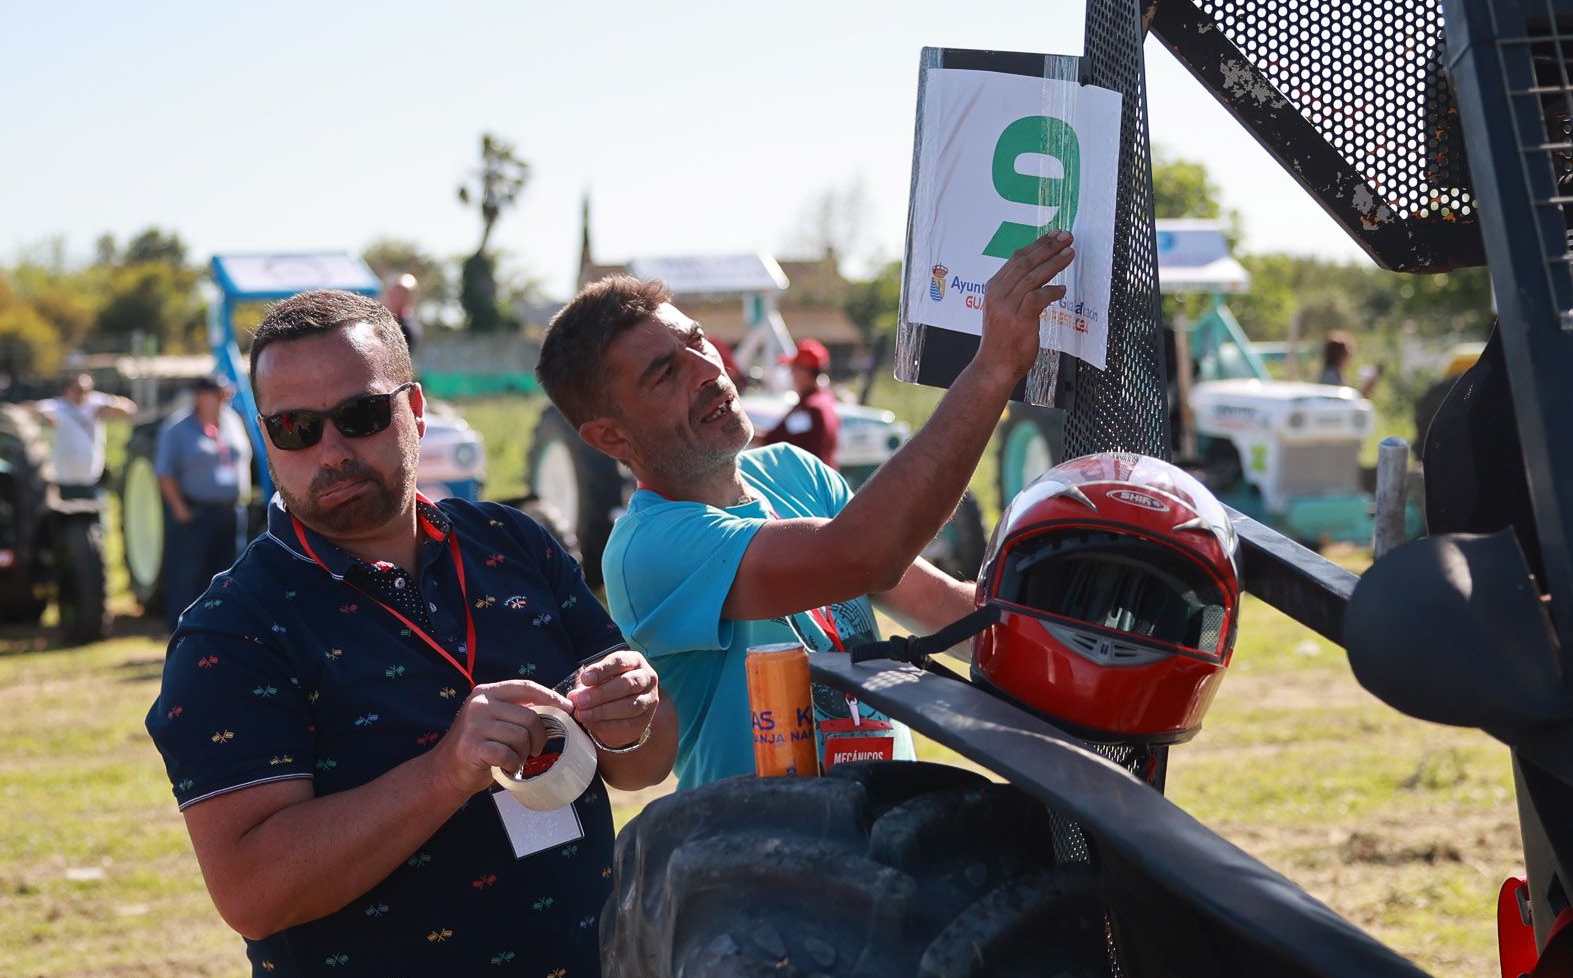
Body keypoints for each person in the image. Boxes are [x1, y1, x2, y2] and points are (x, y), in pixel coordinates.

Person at [147, 288, 672, 978]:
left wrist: (634, 713)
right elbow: (252, 886)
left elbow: (644, 762)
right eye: (295, 430)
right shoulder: (237, 631)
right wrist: (445, 772)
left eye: (360, 415)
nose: (330, 450)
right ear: (267, 441)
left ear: (416, 411)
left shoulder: (510, 546)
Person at [533, 232, 1074, 788]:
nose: (707, 370)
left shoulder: (796, 471)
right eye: (664, 373)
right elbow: (862, 554)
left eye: (698, 341)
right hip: (773, 858)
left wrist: (1082, 654)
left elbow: (941, 606)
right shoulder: (646, 549)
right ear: (610, 437)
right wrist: (991, 369)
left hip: (891, 833)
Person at [155, 375, 251, 625]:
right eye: (219, 395)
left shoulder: (232, 422)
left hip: (231, 512)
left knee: (227, 574)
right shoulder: (177, 429)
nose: (225, 400)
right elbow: (164, 472)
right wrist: (179, 508)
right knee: (188, 576)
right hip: (196, 513)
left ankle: (221, 628)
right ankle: (183, 631)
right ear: (201, 397)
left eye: (226, 395)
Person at [37, 370, 136, 498]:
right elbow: (31, 410)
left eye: (88, 391)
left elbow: (130, 409)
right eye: (79, 390)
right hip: (64, 478)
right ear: (67, 390)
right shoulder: (56, 406)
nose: (84, 395)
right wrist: (44, 417)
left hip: (92, 478)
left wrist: (110, 403)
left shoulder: (96, 403)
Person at [754, 336, 841, 468]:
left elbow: (773, 441)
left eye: (793, 368)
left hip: (808, 484)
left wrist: (739, 434)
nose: (791, 374)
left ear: (804, 372)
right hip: (823, 480)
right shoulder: (825, 400)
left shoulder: (810, 409)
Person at [381, 272, 425, 356]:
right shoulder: (384, 318)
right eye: (393, 292)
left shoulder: (408, 329)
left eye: (399, 294)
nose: (392, 297)